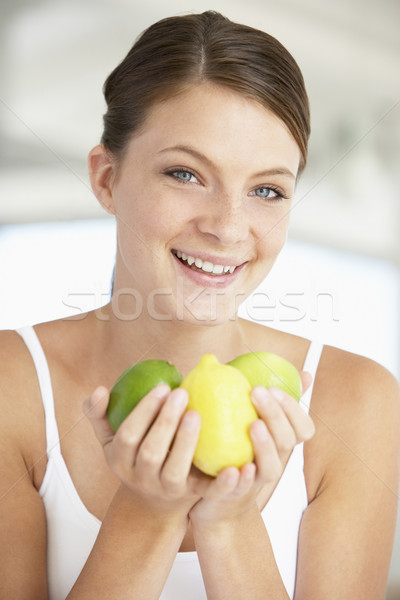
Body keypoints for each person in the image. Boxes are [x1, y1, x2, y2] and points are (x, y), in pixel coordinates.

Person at [0, 10, 399, 600]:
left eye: (267, 190)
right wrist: (149, 513)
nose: (228, 228)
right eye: (185, 174)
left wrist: (231, 521)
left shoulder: (358, 401)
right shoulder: (12, 387)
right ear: (107, 178)